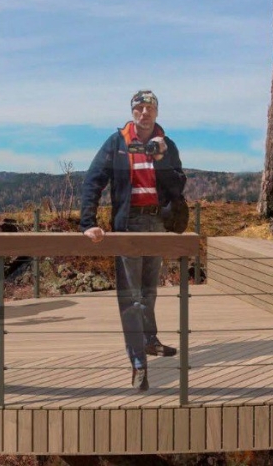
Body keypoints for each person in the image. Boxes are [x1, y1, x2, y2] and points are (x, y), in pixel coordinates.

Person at [80, 90, 187, 391]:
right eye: (138, 108)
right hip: (128, 225)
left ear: (157, 112)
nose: (144, 113)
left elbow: (177, 187)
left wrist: (162, 158)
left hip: (157, 223)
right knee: (132, 297)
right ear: (132, 112)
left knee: (150, 291)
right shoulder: (117, 144)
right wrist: (88, 223)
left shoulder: (167, 144)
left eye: (149, 108)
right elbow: (92, 181)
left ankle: (150, 341)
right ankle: (138, 363)